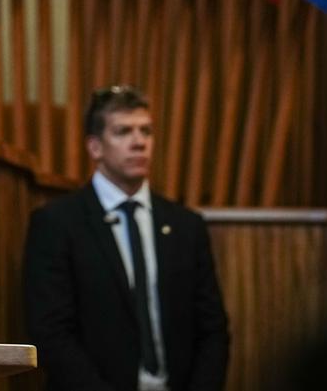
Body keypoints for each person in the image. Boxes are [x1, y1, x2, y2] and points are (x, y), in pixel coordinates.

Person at [23, 85, 229, 391]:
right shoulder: (57, 223)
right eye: (123, 132)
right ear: (95, 147)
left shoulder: (186, 225)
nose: (139, 142)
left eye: (146, 131)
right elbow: (51, 332)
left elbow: (213, 330)